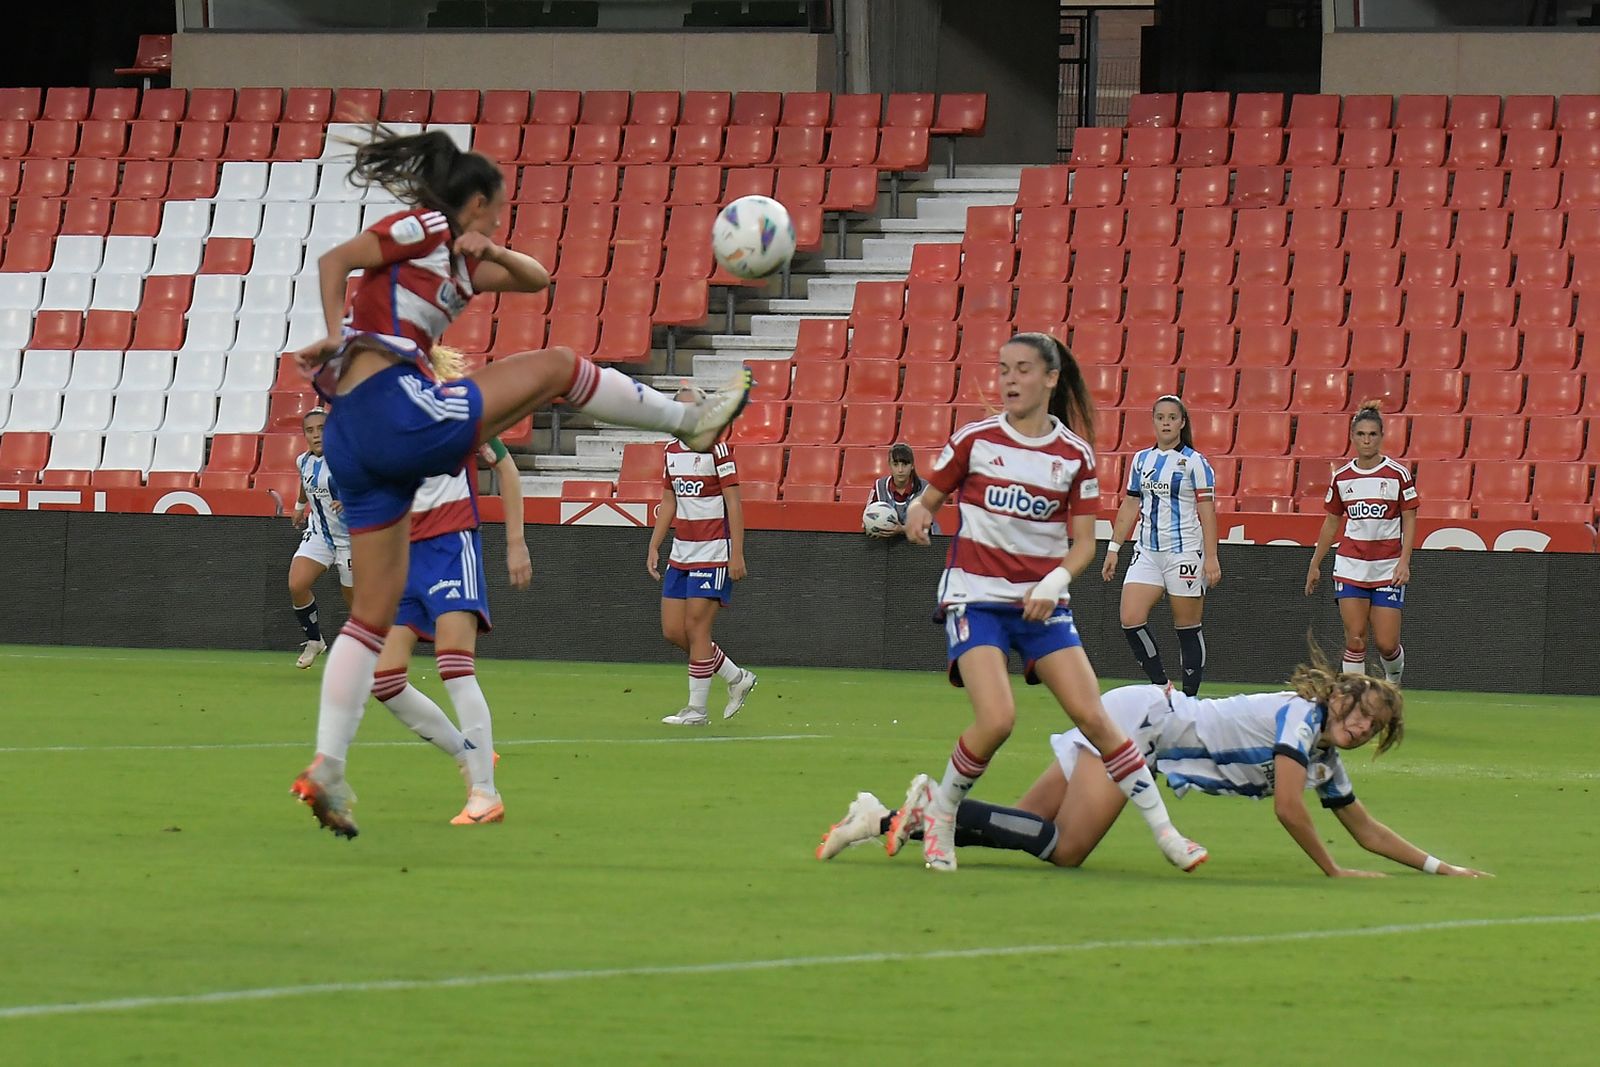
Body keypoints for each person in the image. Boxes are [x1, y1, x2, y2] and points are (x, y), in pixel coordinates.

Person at [287, 126, 750, 838]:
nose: (495, 224)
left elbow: (536, 278)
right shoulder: (428, 224)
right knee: (561, 365)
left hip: (357, 441)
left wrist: (488, 249)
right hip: (393, 410)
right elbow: (337, 259)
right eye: (494, 213)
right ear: (472, 202)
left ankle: (329, 765)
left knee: (369, 616)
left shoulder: (463, 261)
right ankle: (685, 422)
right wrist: (334, 330)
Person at [898, 332, 1206, 874]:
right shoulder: (974, 440)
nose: (1009, 379)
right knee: (997, 720)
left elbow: (1084, 544)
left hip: (1044, 604)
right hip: (976, 597)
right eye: (1003, 369)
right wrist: (919, 514)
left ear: (1050, 378)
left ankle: (1168, 835)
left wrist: (1053, 580)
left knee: (1096, 719)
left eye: (1022, 369)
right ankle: (942, 816)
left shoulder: (1074, 456)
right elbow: (926, 501)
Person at [817, 645, 1491, 879]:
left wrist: (1443, 866)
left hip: (1142, 710)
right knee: (1067, 849)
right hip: (1145, 725)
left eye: (1371, 725)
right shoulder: (1301, 716)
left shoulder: (1320, 754)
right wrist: (1333, 869)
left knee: (1018, 823)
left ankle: (881, 819)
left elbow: (1367, 827)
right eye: (1359, 711)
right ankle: (928, 796)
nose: (1359, 726)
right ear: (1340, 698)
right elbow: (1289, 809)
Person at [369, 347, 530, 825]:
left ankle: (485, 793)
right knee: (385, 680)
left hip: (448, 542)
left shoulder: (460, 411)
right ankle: (467, 753)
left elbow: (506, 469)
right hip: (403, 554)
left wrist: (515, 542)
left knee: (454, 667)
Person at [647, 387, 758, 725]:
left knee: (696, 627)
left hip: (712, 551)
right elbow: (669, 500)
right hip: (681, 552)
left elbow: (733, 503)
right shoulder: (670, 452)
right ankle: (736, 677)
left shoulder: (717, 449)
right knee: (673, 631)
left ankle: (697, 710)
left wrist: (736, 552)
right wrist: (655, 544)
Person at [1101, 394, 1221, 696]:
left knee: (1187, 628)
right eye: (1160, 417)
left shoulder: (1195, 463)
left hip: (1184, 551)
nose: (1166, 422)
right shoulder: (1141, 460)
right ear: (1153, 421)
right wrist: (1114, 548)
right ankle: (1163, 688)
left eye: (1172, 417)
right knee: (1130, 618)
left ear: (1182, 422)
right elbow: (1130, 504)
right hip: (1147, 551)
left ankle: (1190, 700)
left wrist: (1211, 557)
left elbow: (1207, 511)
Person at [1305, 400, 1418, 684]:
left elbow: (1410, 517)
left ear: (1381, 436)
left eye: (1372, 434)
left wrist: (1404, 562)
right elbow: (1331, 522)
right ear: (1352, 437)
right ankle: (1355, 703)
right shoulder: (1342, 478)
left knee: (1387, 644)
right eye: (1361, 434)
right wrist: (1315, 563)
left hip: (1387, 569)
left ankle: (1393, 684)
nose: (1366, 440)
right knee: (1355, 639)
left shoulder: (1398, 475)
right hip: (1351, 567)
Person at [288, 407, 353, 669]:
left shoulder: (349, 459)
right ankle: (315, 641)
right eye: (310, 430)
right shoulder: (302, 460)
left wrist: (351, 502)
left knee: (356, 604)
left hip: (351, 540)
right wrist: (299, 506)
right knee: (297, 584)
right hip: (320, 535)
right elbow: (306, 483)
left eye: (322, 429)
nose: (316, 435)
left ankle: (371, 652)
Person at [864, 442, 927, 539]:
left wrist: (903, 529)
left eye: (905, 464)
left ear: (912, 466)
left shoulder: (925, 489)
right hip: (886, 544)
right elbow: (866, 519)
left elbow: (929, 526)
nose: (900, 470)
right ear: (889, 465)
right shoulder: (879, 486)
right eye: (895, 464)